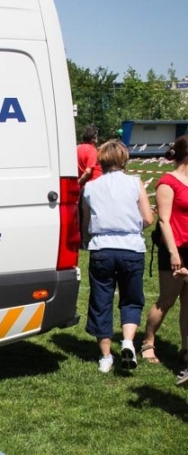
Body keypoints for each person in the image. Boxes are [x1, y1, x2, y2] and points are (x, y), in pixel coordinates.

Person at [82, 139, 153, 372]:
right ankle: (128, 341)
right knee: (131, 298)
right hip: (131, 247)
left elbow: (85, 222)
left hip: (101, 248)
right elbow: (148, 218)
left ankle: (105, 357)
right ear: (124, 159)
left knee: (101, 300)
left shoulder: (90, 187)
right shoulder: (135, 183)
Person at [140, 135, 188, 386]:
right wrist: (173, 253)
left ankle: (186, 349)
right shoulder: (167, 183)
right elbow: (164, 221)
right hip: (174, 249)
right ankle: (148, 341)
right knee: (167, 300)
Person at [77, 125, 101, 246]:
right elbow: (88, 171)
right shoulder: (92, 150)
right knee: (91, 215)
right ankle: (88, 241)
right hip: (92, 185)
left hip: (83, 187)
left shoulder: (78, 148)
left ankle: (83, 240)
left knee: (82, 215)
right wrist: (79, 183)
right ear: (93, 137)